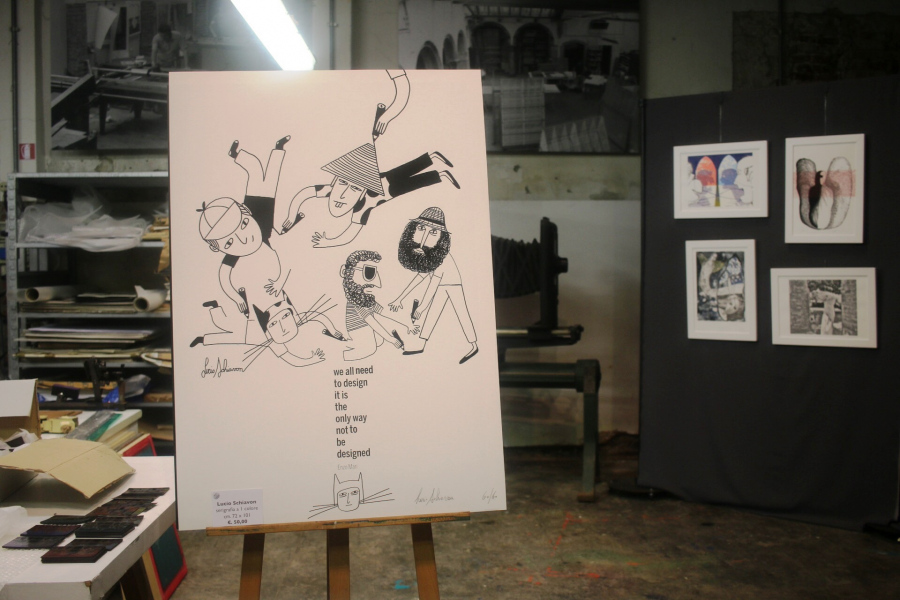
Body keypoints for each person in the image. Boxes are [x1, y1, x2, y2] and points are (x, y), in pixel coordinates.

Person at [281, 69, 459, 248]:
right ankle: (439, 172)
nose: (341, 196)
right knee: (411, 183)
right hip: (388, 190)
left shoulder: (328, 190)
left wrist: (292, 216)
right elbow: (348, 235)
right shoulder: (359, 210)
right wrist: (327, 241)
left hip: (377, 179)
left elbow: (304, 194)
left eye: (353, 188)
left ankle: (433, 159)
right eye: (342, 183)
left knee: (405, 172)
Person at [388, 207, 478, 364]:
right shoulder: (430, 255)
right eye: (422, 229)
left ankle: (473, 345)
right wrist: (399, 299)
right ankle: (421, 344)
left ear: (441, 238)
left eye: (434, 232)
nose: (424, 239)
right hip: (441, 284)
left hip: (452, 284)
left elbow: (433, 285)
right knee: (432, 315)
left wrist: (421, 308)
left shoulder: (440, 257)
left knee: (461, 312)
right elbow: (420, 277)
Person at [340, 250, 418, 361]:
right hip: (358, 329)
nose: (377, 284)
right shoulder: (357, 304)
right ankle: (341, 356)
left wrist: (407, 324)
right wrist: (391, 339)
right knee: (370, 349)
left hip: (366, 327)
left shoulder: (367, 300)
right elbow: (372, 322)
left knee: (379, 341)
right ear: (345, 272)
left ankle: (352, 343)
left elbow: (385, 312)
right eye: (369, 272)